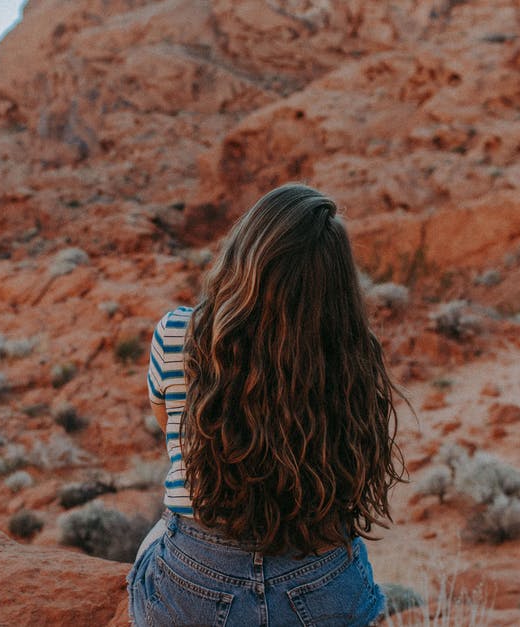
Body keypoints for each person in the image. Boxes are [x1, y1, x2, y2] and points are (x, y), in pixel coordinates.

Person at [126, 183, 404, 626]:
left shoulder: (178, 333)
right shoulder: (351, 352)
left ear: (243, 253)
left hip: (196, 578)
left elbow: (170, 426)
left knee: (157, 537)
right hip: (320, 575)